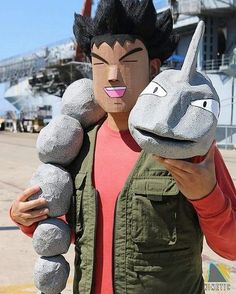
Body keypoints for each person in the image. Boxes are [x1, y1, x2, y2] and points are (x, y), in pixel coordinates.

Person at [10, 0, 236, 293]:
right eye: (100, 63)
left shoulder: (189, 149)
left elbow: (231, 247)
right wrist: (26, 216)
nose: (113, 75)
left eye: (128, 61)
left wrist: (207, 196)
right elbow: (73, 230)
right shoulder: (79, 146)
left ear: (153, 68)